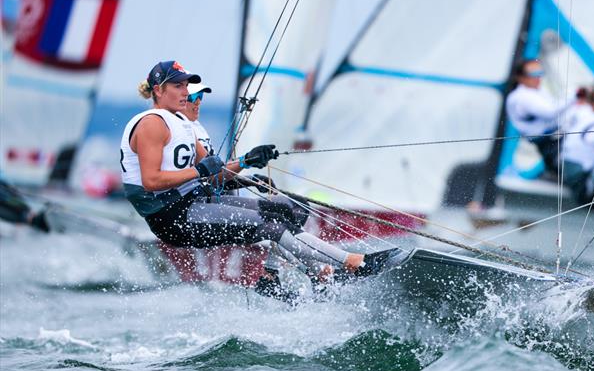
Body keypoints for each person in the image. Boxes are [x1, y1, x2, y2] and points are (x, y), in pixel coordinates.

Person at [120, 60, 402, 287]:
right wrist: (198, 171)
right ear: (158, 90)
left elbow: (215, 176)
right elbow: (152, 181)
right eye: (177, 86)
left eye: (185, 86)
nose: (185, 92)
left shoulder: (180, 124)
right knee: (270, 226)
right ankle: (354, 263)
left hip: (193, 204)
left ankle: (316, 275)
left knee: (282, 210)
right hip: (172, 218)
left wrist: (246, 162)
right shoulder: (152, 124)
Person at [179, 81, 310, 232]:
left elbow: (215, 176)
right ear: (179, 100)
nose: (198, 101)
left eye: (200, 96)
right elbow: (204, 179)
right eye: (193, 97)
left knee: (299, 205)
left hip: (213, 200)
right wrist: (245, 161)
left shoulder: (197, 127)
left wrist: (251, 179)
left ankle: (281, 250)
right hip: (197, 209)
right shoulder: (179, 132)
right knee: (280, 214)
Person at [505, 59, 574, 173]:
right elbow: (550, 112)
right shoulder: (520, 96)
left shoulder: (537, 90)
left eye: (540, 73)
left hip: (558, 139)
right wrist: (575, 95)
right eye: (534, 74)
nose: (538, 78)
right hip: (548, 145)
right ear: (520, 77)